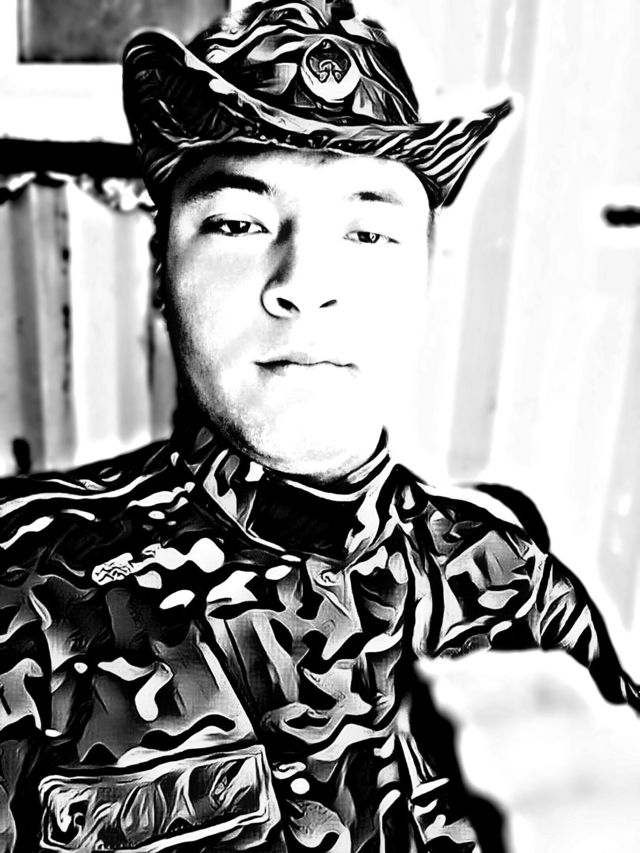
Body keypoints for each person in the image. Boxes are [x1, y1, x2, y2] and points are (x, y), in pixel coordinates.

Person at [0, 1, 638, 851]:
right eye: (237, 223)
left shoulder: (517, 591)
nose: (304, 283)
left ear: (425, 274)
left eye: (368, 230)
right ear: (161, 269)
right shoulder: (27, 588)